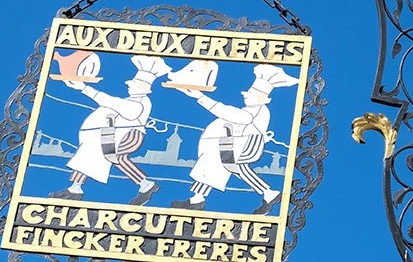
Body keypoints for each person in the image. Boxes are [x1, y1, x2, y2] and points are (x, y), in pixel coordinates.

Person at [170, 63, 298, 214]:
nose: (245, 94)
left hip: (248, 145)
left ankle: (269, 193)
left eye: (250, 92)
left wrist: (201, 97)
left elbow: (231, 114)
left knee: (237, 166)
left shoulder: (259, 110)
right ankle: (197, 198)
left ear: (262, 97)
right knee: (212, 163)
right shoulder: (250, 109)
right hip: (232, 143)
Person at [49, 55, 170, 206]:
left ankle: (146, 185)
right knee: (93, 151)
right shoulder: (131, 100)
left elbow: (115, 104)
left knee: (113, 156)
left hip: (130, 136)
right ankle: (75, 189)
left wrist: (85, 89)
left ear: (142, 86)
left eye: (132, 83)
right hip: (113, 134)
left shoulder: (141, 102)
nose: (128, 85)